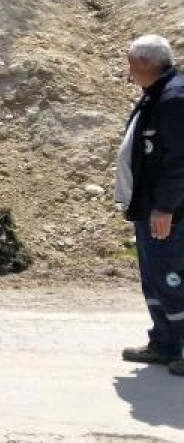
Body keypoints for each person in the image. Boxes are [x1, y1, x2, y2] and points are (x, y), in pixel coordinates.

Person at [117, 35, 184, 377]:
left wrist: (165, 207)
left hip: (168, 212)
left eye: (131, 64)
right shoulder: (157, 95)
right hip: (148, 208)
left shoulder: (174, 99)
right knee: (156, 278)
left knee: (173, 278)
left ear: (145, 63)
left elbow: (179, 162)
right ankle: (165, 342)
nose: (129, 72)